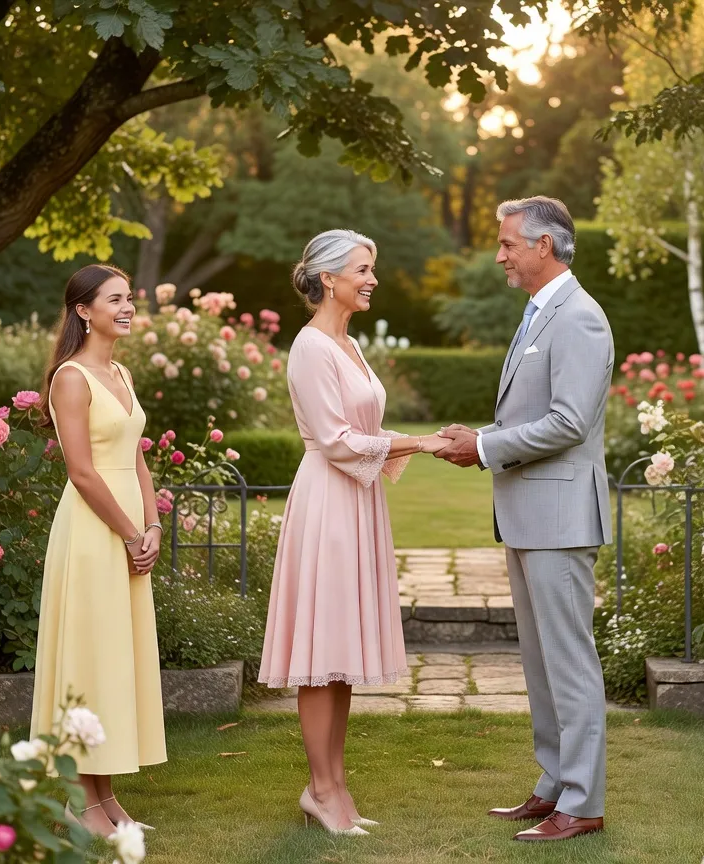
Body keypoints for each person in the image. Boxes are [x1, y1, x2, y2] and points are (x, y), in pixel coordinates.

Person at [258, 229, 449, 836]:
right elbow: (336, 440)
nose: (372, 279)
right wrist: (420, 442)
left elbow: (361, 426)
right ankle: (320, 788)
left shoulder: (350, 344)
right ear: (329, 278)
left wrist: (408, 441)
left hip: (358, 502)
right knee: (320, 653)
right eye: (363, 269)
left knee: (339, 650)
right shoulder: (311, 346)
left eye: (372, 268)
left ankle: (335, 786)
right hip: (329, 503)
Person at [436, 197, 613, 842]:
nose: (500, 255)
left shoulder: (580, 318)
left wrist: (482, 449)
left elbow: (568, 422)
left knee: (568, 662)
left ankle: (584, 801)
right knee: (540, 664)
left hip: (561, 517)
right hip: (529, 514)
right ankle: (553, 783)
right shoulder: (542, 313)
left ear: (545, 245)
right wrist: (482, 436)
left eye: (509, 243)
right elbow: (528, 418)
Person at [30, 263, 166, 838]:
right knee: (88, 659)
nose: (128, 307)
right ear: (84, 310)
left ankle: (107, 798)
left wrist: (154, 521)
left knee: (115, 658)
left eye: (129, 298)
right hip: (92, 533)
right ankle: (78, 803)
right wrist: (130, 532)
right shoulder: (72, 378)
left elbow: (134, 455)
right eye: (116, 299)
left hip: (130, 525)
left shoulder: (120, 372)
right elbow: (83, 472)